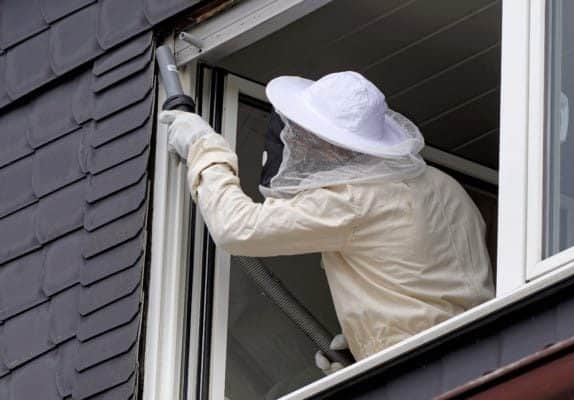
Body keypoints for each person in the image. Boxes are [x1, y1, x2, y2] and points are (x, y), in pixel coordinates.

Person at [160, 71, 495, 374]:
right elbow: (430, 291)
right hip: (487, 356)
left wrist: (202, 147)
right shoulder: (445, 186)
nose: (301, 147)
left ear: (335, 148)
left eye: (310, 139)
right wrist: (364, 347)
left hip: (423, 371)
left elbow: (236, 228)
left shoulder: (354, 199)